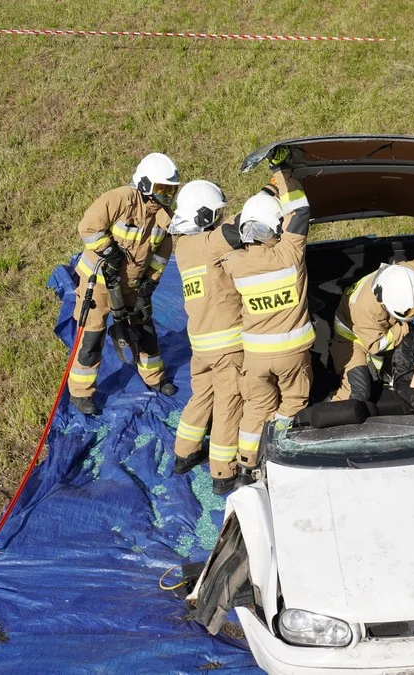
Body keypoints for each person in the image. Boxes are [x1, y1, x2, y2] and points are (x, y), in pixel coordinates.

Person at [221, 161, 313, 485]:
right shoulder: (289, 254)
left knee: (256, 409)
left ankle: (246, 467)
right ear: (275, 228)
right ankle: (282, 455)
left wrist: (266, 192)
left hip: (255, 359)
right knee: (293, 403)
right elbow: (300, 213)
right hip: (293, 357)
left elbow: (230, 231)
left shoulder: (235, 263)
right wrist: (283, 177)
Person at [68, 153, 179, 416]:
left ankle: (155, 378)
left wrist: (148, 286)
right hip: (99, 282)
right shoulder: (119, 199)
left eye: (171, 191)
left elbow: (162, 254)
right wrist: (109, 253)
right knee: (92, 336)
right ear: (144, 185)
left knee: (145, 329)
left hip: (133, 284)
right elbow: (88, 227)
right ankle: (81, 392)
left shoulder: (163, 217)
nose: (166, 197)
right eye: (162, 189)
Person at [169, 180, 242, 494]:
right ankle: (224, 472)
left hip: (200, 344)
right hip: (227, 343)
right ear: (202, 217)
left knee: (202, 397)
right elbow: (232, 234)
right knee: (229, 403)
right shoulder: (207, 244)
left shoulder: (184, 246)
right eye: (215, 214)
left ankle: (184, 453)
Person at [330, 259, 414, 402]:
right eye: (408, 314)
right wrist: (410, 324)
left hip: (386, 325)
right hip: (353, 337)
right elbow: (377, 345)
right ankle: (326, 409)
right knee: (358, 392)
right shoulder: (367, 311)